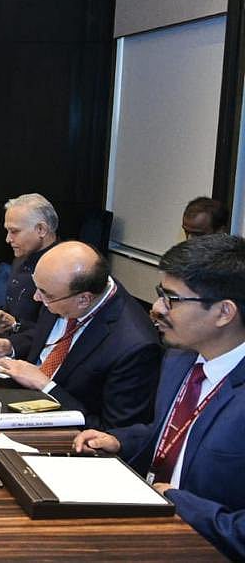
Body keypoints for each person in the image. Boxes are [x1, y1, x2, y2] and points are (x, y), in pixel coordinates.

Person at [73, 234, 245, 559]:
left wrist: (181, 503)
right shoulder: (179, 359)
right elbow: (177, 435)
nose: (156, 308)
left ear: (224, 312)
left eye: (172, 299)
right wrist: (121, 442)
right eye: (160, 294)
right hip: (147, 522)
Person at [0, 241, 162, 430]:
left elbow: (113, 431)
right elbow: (49, 338)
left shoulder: (135, 346)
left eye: (45, 295)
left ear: (84, 299)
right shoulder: (61, 288)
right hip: (17, 394)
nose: (36, 297)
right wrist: (11, 347)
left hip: (62, 427)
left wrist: (45, 385)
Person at [0, 193, 59, 336]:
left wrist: (14, 327)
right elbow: (10, 312)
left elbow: (52, 333)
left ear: (41, 229)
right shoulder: (22, 256)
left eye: (14, 231)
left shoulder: (61, 270)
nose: (8, 239)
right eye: (7, 231)